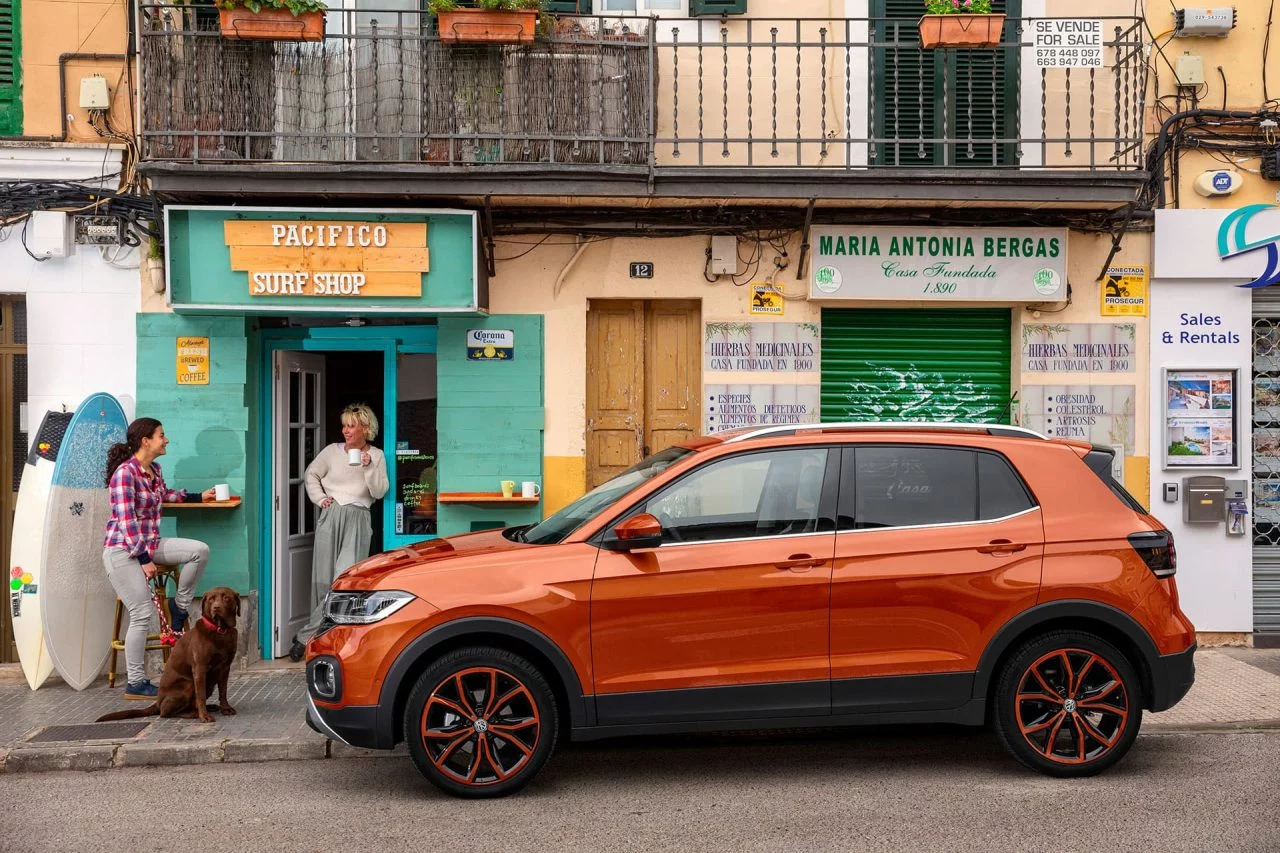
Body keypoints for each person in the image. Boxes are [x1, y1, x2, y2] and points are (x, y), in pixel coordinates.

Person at [103, 418, 216, 699]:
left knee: (198, 550)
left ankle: (178, 607)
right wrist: (143, 560)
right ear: (145, 440)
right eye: (161, 435)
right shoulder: (124, 474)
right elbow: (126, 522)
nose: (166, 440)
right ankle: (136, 683)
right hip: (123, 551)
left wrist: (197, 497)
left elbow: (165, 495)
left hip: (149, 544)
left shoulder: (154, 469)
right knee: (141, 614)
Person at [289, 403, 389, 661]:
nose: (345, 430)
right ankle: (321, 638)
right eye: (344, 425)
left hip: (358, 516)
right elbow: (311, 474)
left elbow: (379, 492)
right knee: (323, 579)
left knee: (344, 581)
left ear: (365, 428)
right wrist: (320, 498)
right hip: (331, 514)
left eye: (351, 425)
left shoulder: (376, 455)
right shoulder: (332, 452)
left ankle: (305, 637)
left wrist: (368, 467)